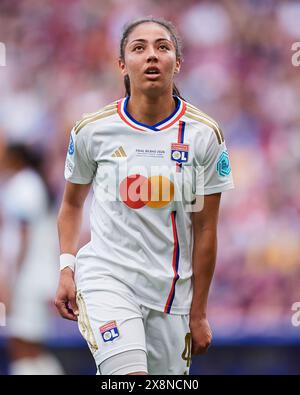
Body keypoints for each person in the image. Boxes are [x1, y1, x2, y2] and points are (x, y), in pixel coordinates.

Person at [55, 17, 234, 375]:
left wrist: (198, 311)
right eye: (139, 48)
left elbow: (206, 229)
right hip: (108, 277)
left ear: (177, 63)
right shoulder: (93, 130)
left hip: (171, 296)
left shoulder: (203, 135)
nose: (151, 56)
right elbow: (72, 204)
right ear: (122, 64)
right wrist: (66, 267)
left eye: (162, 47)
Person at [0, 143, 64, 375]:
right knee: (31, 347)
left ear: (15, 159)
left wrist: (11, 281)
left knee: (20, 344)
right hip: (36, 277)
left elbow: (22, 239)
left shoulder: (23, 185)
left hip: (26, 279)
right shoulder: (32, 183)